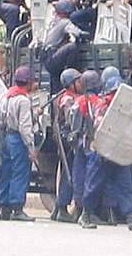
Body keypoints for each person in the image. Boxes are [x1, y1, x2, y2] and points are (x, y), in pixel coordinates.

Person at [79, 72, 132, 230]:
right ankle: (85, 214)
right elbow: (100, 125)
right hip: (102, 150)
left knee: (125, 184)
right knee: (94, 185)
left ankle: (131, 216)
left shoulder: (126, 105)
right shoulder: (102, 104)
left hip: (119, 149)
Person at [0, 66, 38, 221]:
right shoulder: (23, 100)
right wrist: (31, 147)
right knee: (19, 172)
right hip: (18, 139)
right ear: (27, 82)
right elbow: (25, 127)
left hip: (7, 137)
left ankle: (4, 208)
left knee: (6, 171)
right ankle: (17, 208)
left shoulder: (7, 96)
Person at [68, 70, 102, 225]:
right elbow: (99, 124)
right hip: (92, 143)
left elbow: (73, 121)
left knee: (79, 175)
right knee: (91, 177)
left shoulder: (78, 101)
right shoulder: (98, 103)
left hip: (79, 142)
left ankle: (78, 208)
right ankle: (86, 213)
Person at [50, 68, 82, 223]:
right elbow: (71, 119)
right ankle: (62, 207)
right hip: (68, 139)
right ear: (71, 84)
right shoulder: (67, 99)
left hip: (65, 138)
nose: (80, 83)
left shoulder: (67, 96)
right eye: (77, 81)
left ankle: (58, 208)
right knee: (69, 175)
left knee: (65, 173)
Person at [43, 0, 84, 93]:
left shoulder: (51, 21)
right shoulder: (65, 22)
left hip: (47, 57)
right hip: (51, 57)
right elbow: (76, 32)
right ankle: (72, 72)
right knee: (72, 47)